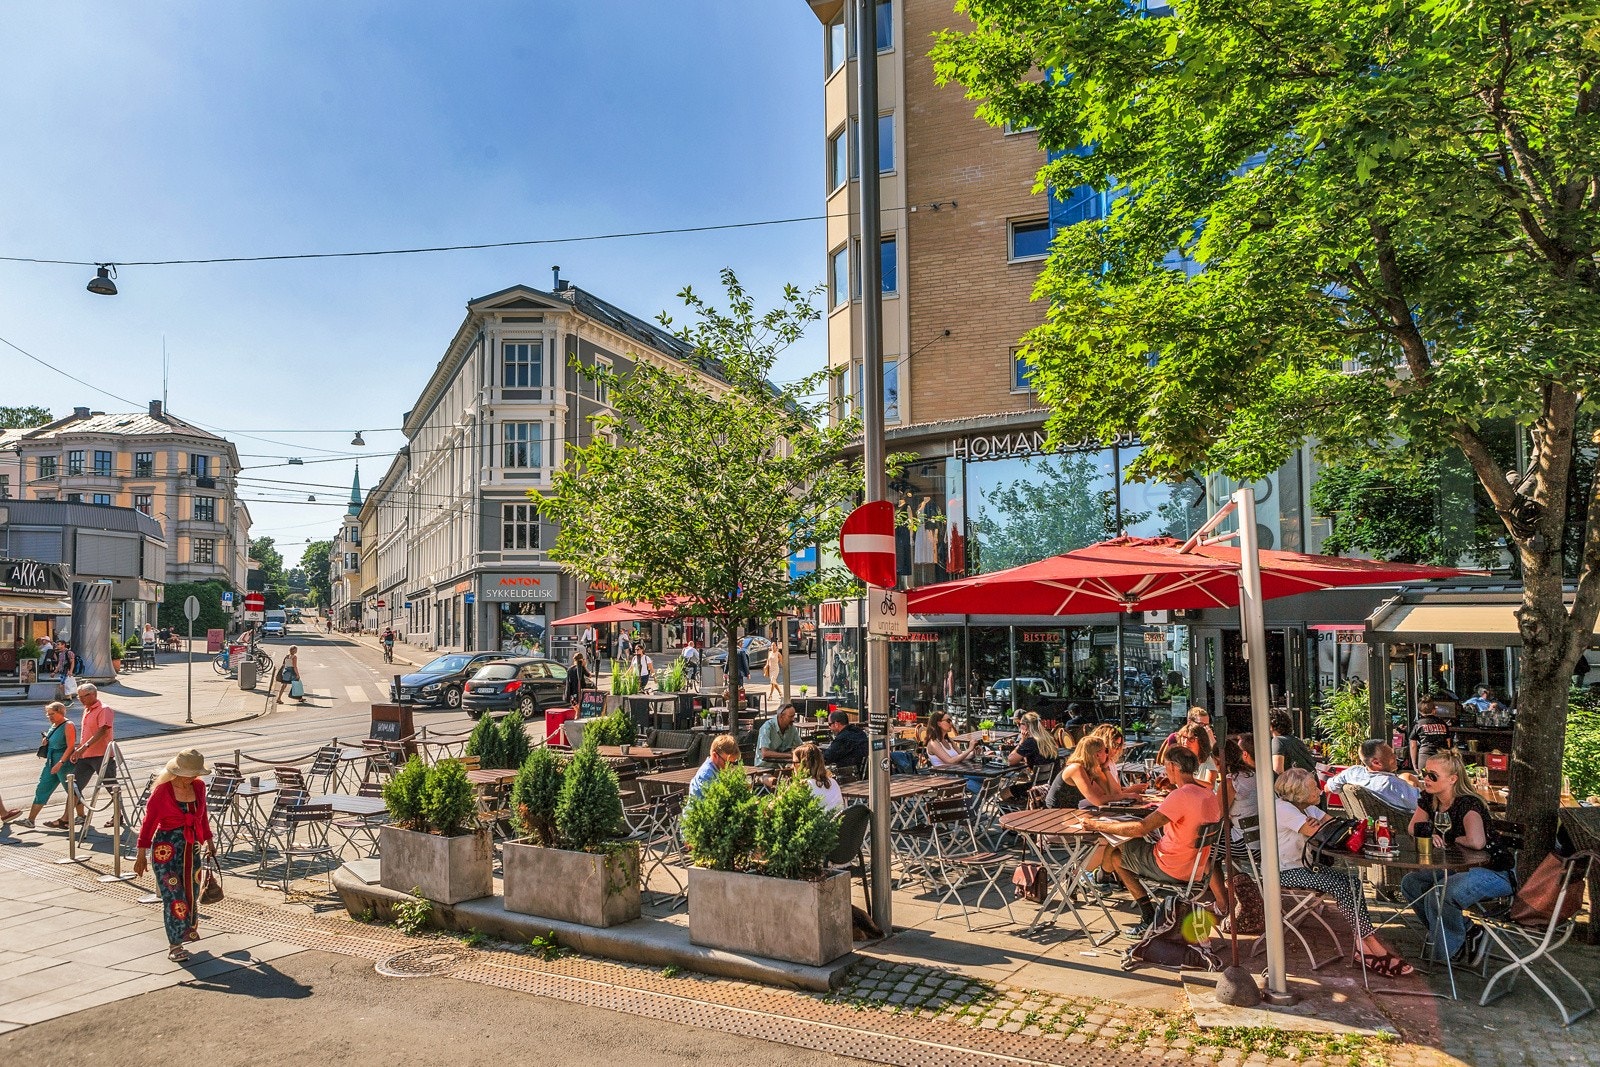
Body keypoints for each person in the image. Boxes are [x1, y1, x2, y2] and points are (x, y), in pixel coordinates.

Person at [1273, 768, 1414, 977]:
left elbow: (1334, 827)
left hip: (1304, 866)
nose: (1320, 791)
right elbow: (1324, 834)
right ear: (1299, 792)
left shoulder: (1305, 809)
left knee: (1353, 883)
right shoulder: (1284, 809)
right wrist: (1321, 828)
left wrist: (1322, 828)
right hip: (1284, 872)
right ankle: (1371, 946)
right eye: (1313, 788)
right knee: (1340, 886)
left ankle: (1363, 944)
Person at [1083, 747, 1226, 937]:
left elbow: (1142, 827)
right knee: (1129, 844)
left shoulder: (1180, 796)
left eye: (1166, 766)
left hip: (1171, 866)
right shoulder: (1207, 793)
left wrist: (1097, 825)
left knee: (1117, 852)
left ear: (1173, 766)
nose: (1165, 770)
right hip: (1195, 865)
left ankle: (1146, 914)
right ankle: (1103, 878)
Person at [1402, 750, 1516, 965]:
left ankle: (1446, 953)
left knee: (1439, 894)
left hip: (1494, 870)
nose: (1426, 778)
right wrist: (1431, 832)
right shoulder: (1429, 799)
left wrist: (1451, 838)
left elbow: (1477, 842)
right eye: (1426, 773)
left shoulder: (1468, 804)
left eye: (1433, 775)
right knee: (1412, 883)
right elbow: (1413, 828)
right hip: (1460, 867)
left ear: (1452, 779)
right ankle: (1466, 932)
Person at [133, 748, 217, 963]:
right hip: (166, 849)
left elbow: (202, 816)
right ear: (178, 772)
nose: (194, 778)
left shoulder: (198, 787)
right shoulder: (162, 791)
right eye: (191, 774)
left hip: (191, 849)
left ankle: (186, 930)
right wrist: (141, 854)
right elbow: (148, 823)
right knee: (173, 895)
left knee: (191, 892)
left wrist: (208, 840)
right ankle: (175, 945)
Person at [1325, 739, 1420, 812]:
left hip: (1367, 823)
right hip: (1401, 825)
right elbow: (1426, 804)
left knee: (1406, 776)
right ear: (1376, 763)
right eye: (1391, 755)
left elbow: (1327, 788)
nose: (1396, 757)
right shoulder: (1392, 784)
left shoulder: (1352, 772)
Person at [20, 702, 75, 829]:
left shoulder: (68, 725)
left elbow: (71, 746)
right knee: (42, 788)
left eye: (52, 714)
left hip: (64, 763)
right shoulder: (54, 725)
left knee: (72, 791)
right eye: (48, 714)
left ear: (61, 712)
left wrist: (60, 763)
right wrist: (46, 741)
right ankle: (30, 820)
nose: (49, 716)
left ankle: (80, 817)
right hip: (51, 761)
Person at [67, 683, 115, 824]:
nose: (81, 700)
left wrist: (84, 747)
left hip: (102, 755)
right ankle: (69, 817)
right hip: (85, 756)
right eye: (79, 697)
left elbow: (103, 730)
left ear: (93, 694)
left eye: (84, 697)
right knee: (74, 786)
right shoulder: (86, 710)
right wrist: (79, 749)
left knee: (112, 788)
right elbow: (86, 733)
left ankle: (118, 816)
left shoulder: (104, 709)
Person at [1044, 734, 1125, 809]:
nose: (1107, 754)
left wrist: (1105, 769)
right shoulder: (1076, 768)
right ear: (1097, 755)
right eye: (1106, 750)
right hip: (1054, 813)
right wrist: (1127, 796)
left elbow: (1109, 793)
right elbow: (1097, 801)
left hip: (1070, 811)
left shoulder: (1090, 768)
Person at [1218, 735, 1259, 841]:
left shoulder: (1231, 781)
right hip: (1264, 843)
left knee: (1204, 845)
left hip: (1244, 844)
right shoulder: (1255, 775)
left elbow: (1217, 815)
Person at [792, 742, 843, 813]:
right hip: (838, 822)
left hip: (817, 823)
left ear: (802, 764)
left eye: (794, 763)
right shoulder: (833, 782)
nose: (792, 766)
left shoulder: (803, 785)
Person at [1408, 699, 1456, 772]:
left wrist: (1414, 764)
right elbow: (1448, 742)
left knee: (1426, 780)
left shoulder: (1418, 724)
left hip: (1425, 756)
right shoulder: (1442, 723)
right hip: (1442, 756)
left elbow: (1413, 745)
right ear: (1434, 710)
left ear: (1420, 712)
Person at [689, 734, 742, 799]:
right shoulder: (706, 775)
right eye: (727, 762)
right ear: (715, 756)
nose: (729, 767)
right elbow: (713, 802)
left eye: (733, 763)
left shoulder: (718, 770)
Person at [1267, 709, 1318, 775]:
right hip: (1309, 782)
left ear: (1271, 725)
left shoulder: (1277, 741)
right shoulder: (1296, 740)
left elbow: (1278, 771)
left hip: (1296, 784)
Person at [756, 703, 803, 768]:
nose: (793, 719)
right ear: (781, 717)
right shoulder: (767, 727)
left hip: (783, 767)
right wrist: (790, 755)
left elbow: (800, 746)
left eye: (794, 716)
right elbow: (765, 753)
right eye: (790, 717)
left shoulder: (792, 728)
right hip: (764, 768)